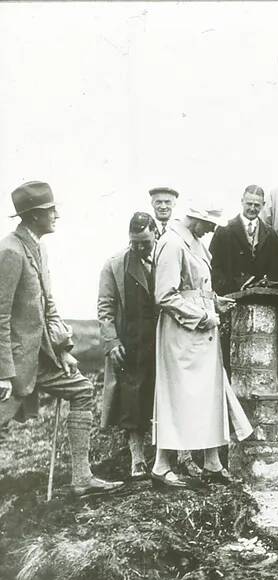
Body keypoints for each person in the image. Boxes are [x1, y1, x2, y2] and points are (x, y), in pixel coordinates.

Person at [0, 181, 122, 496]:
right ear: (33, 216)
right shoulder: (10, 252)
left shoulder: (38, 247)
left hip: (41, 358)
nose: (56, 215)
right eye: (50, 210)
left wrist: (64, 349)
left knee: (82, 390)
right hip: (13, 365)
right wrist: (4, 374)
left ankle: (82, 478)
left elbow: (48, 305)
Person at [151, 206, 251, 489]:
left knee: (208, 394)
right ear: (194, 218)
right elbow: (166, 295)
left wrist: (214, 302)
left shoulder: (194, 243)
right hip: (183, 333)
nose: (211, 230)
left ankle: (212, 461)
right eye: (208, 224)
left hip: (202, 333)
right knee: (179, 395)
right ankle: (161, 465)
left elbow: (196, 288)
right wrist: (203, 315)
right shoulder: (171, 243)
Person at [97, 212, 160, 480]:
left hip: (162, 341)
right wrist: (112, 342)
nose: (140, 248)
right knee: (132, 401)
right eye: (135, 243)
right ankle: (137, 459)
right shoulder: (115, 265)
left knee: (164, 396)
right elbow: (105, 308)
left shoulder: (166, 258)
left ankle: (169, 456)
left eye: (145, 242)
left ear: (156, 234)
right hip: (131, 343)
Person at [210, 185, 278, 296]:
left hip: (261, 298)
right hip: (230, 295)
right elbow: (214, 265)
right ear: (242, 202)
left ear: (263, 205)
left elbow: (277, 270)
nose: (252, 208)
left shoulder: (270, 234)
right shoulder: (224, 230)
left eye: (257, 205)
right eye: (249, 204)